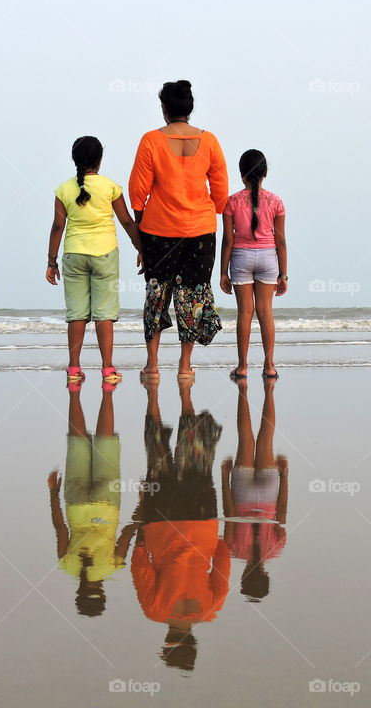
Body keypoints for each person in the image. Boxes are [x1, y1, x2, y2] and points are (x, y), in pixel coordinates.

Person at [128, 80, 228, 382]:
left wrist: (142, 239)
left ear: (164, 109)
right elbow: (221, 196)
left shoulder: (150, 141)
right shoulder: (210, 141)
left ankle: (153, 366)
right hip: (200, 231)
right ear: (190, 109)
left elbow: (137, 194)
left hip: (159, 231)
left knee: (157, 295)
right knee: (192, 296)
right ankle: (185, 368)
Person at [129, 380, 229, 671]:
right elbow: (140, 568)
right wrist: (142, 531)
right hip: (161, 524)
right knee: (158, 460)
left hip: (202, 522)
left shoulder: (211, 610)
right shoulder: (154, 611)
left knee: (196, 462)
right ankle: (154, 394)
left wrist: (213, 537)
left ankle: (187, 395)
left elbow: (222, 561)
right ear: (167, 643)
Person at [47, 136, 143, 387]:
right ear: (100, 160)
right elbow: (127, 222)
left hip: (74, 254)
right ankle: (108, 369)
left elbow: (59, 226)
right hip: (105, 254)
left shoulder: (63, 189)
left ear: (74, 160)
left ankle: (74, 369)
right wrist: (141, 249)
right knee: (104, 313)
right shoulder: (110, 187)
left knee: (76, 313)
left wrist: (51, 261)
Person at [48, 387, 137, 617]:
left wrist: (143, 507)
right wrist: (53, 493)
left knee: (105, 442)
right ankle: (74, 389)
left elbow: (128, 532)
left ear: (103, 593)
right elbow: (60, 528)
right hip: (76, 505)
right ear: (78, 594)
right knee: (77, 441)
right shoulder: (67, 566)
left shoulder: (113, 566)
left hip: (106, 505)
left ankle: (108, 390)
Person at [219, 149, 288, 380]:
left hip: (241, 257)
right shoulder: (276, 201)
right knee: (266, 312)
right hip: (269, 257)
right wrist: (283, 275)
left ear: (241, 175)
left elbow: (228, 239)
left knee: (245, 313)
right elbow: (281, 241)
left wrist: (222, 272)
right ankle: (269, 366)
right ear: (265, 173)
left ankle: (242, 367)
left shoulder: (232, 202)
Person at [221, 379, 289, 602]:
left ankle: (269, 389)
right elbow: (230, 515)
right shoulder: (235, 550)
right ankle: (243, 390)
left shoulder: (275, 550)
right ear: (243, 575)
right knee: (246, 437)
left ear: (266, 575)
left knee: (265, 438)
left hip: (268, 495)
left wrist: (284, 475)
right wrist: (224, 476)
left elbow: (281, 514)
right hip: (243, 496)